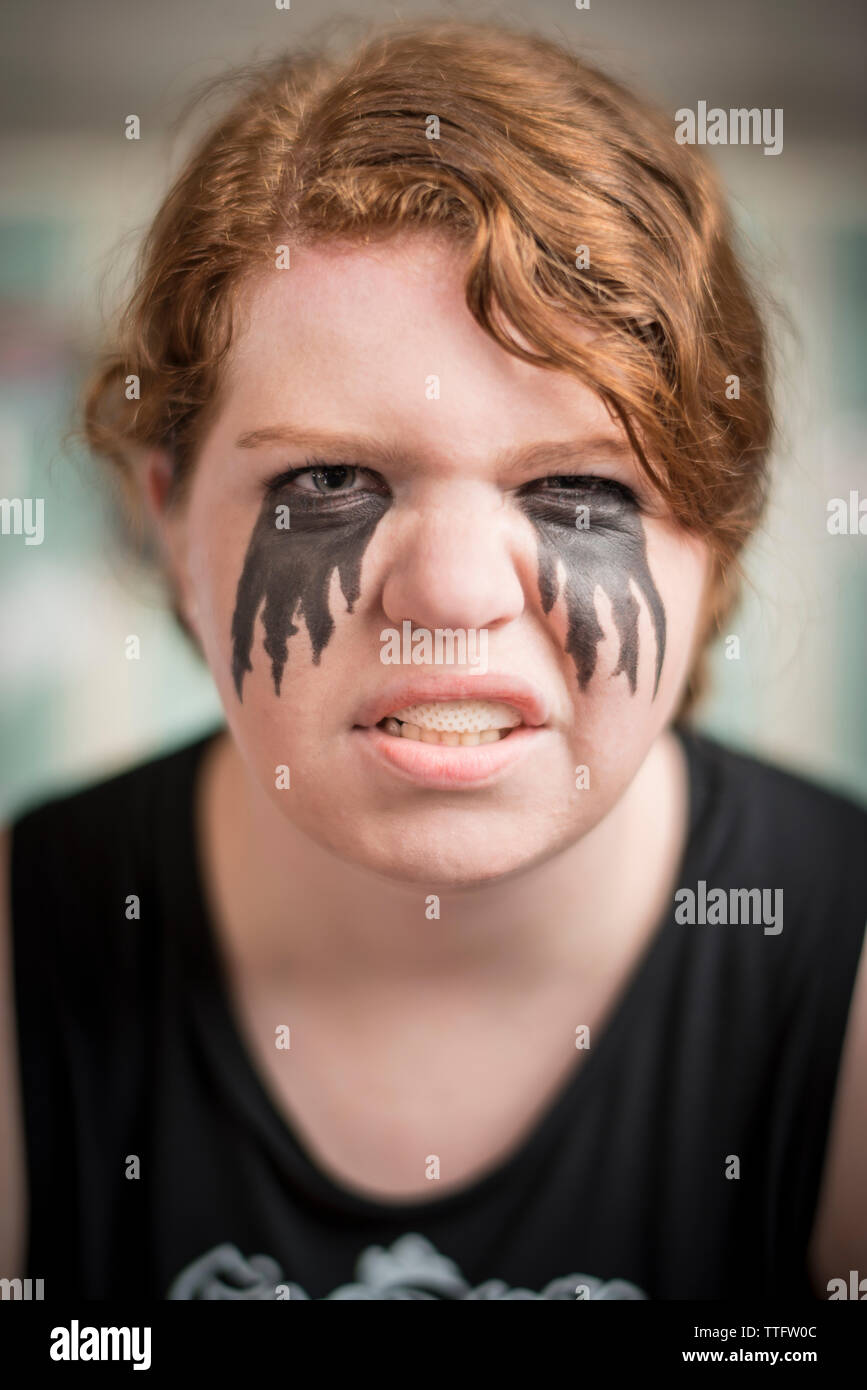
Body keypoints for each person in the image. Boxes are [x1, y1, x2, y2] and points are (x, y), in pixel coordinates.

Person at [1, 18, 865, 1302]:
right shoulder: (27, 947)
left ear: (714, 541)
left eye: (578, 484)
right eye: (329, 479)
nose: (452, 593)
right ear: (168, 518)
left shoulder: (845, 965)